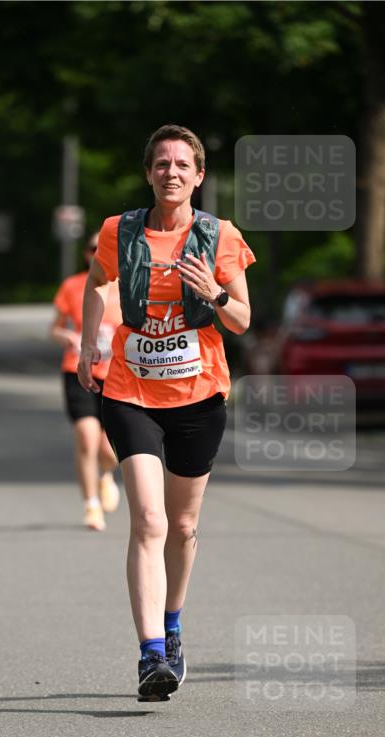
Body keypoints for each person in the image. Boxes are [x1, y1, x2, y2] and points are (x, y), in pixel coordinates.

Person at [78, 124, 255, 701]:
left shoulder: (220, 236)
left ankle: (173, 625)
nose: (171, 172)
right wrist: (88, 345)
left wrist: (216, 295)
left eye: (182, 165)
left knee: (182, 527)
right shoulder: (119, 230)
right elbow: (98, 281)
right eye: (161, 164)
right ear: (148, 173)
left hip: (199, 396)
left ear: (198, 176)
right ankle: (151, 653)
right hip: (130, 391)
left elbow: (243, 321)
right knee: (149, 521)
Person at [50, 232, 122, 531]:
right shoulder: (73, 286)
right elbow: (54, 328)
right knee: (86, 438)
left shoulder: (130, 286)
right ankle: (91, 506)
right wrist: (68, 336)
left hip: (118, 375)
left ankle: (105, 473)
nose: (97, 252)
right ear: (86, 254)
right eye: (93, 248)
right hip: (78, 370)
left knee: (109, 449)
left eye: (104, 248)